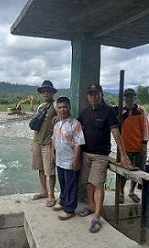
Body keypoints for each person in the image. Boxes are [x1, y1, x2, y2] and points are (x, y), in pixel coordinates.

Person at [77, 83, 132, 233]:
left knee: (98, 184)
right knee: (88, 182)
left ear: (101, 95)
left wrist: (124, 154)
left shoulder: (108, 111)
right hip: (86, 153)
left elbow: (115, 133)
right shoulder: (85, 112)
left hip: (100, 155)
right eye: (91, 94)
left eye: (96, 94)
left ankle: (97, 215)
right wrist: (58, 118)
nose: (93, 96)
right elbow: (76, 127)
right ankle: (91, 205)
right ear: (88, 96)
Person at [51, 96, 85, 220]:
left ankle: (70, 209)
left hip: (70, 159)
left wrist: (76, 159)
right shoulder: (57, 123)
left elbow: (78, 142)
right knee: (63, 183)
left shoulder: (75, 124)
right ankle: (63, 201)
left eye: (65, 107)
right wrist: (53, 153)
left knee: (71, 184)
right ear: (57, 109)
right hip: (60, 159)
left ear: (69, 107)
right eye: (59, 107)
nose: (62, 109)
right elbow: (54, 139)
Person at [114, 88, 148, 204]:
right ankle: (121, 192)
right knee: (123, 172)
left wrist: (144, 143)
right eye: (127, 96)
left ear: (135, 98)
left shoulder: (140, 111)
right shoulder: (119, 111)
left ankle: (132, 191)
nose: (129, 99)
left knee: (137, 171)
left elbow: (145, 127)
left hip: (139, 147)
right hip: (125, 147)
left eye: (131, 97)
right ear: (123, 98)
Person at [31, 80, 57, 207]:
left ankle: (51, 194)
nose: (46, 93)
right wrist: (33, 143)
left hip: (48, 143)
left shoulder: (56, 105)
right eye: (43, 91)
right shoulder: (40, 106)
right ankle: (43, 191)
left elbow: (65, 114)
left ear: (52, 92)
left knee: (50, 170)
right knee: (40, 168)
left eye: (48, 91)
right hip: (37, 141)